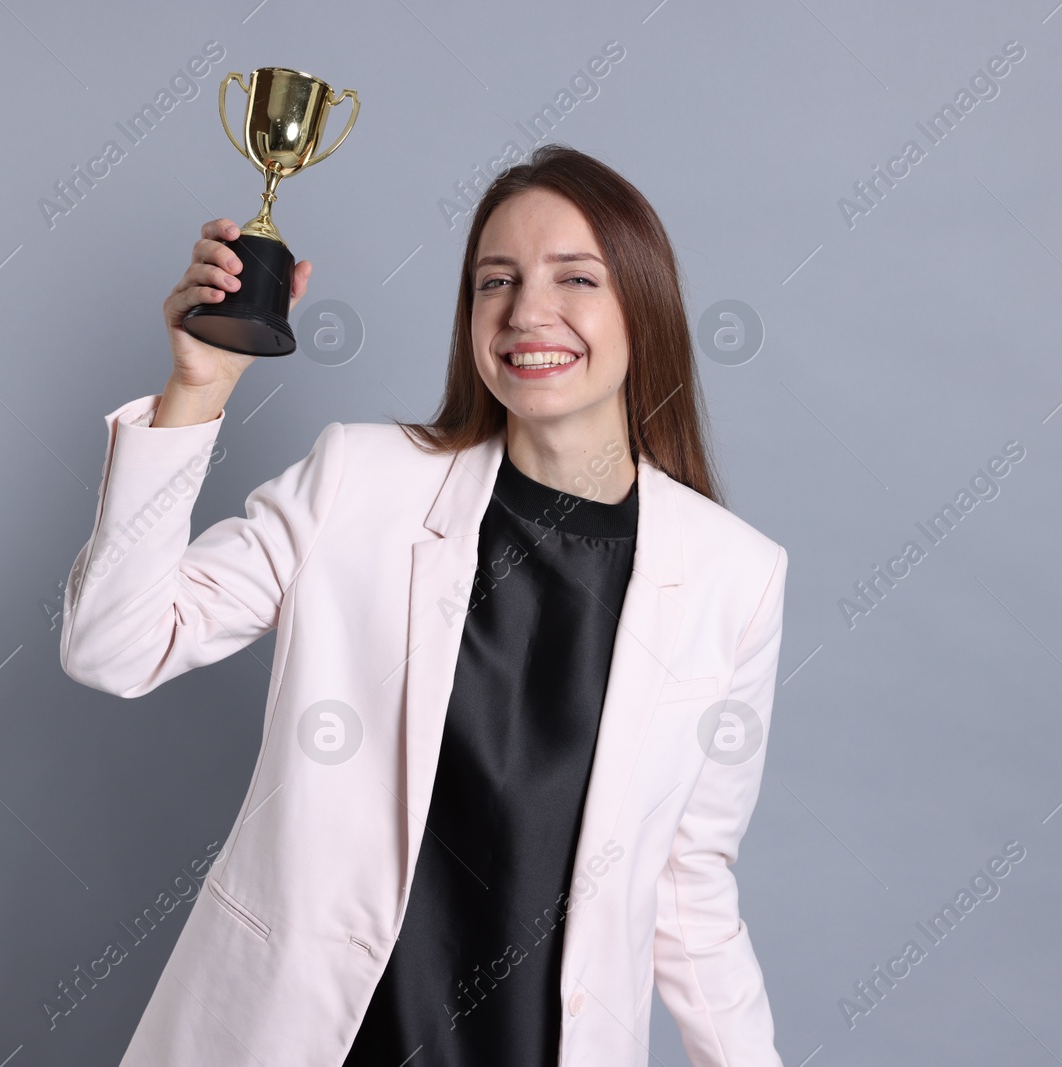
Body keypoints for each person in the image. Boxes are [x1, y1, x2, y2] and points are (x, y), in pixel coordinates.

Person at [60, 143, 789, 1067]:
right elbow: (114, 647)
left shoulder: (734, 575)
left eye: (575, 278)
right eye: (496, 280)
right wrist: (194, 394)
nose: (529, 312)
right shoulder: (359, 481)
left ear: (642, 303)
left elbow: (690, 890)